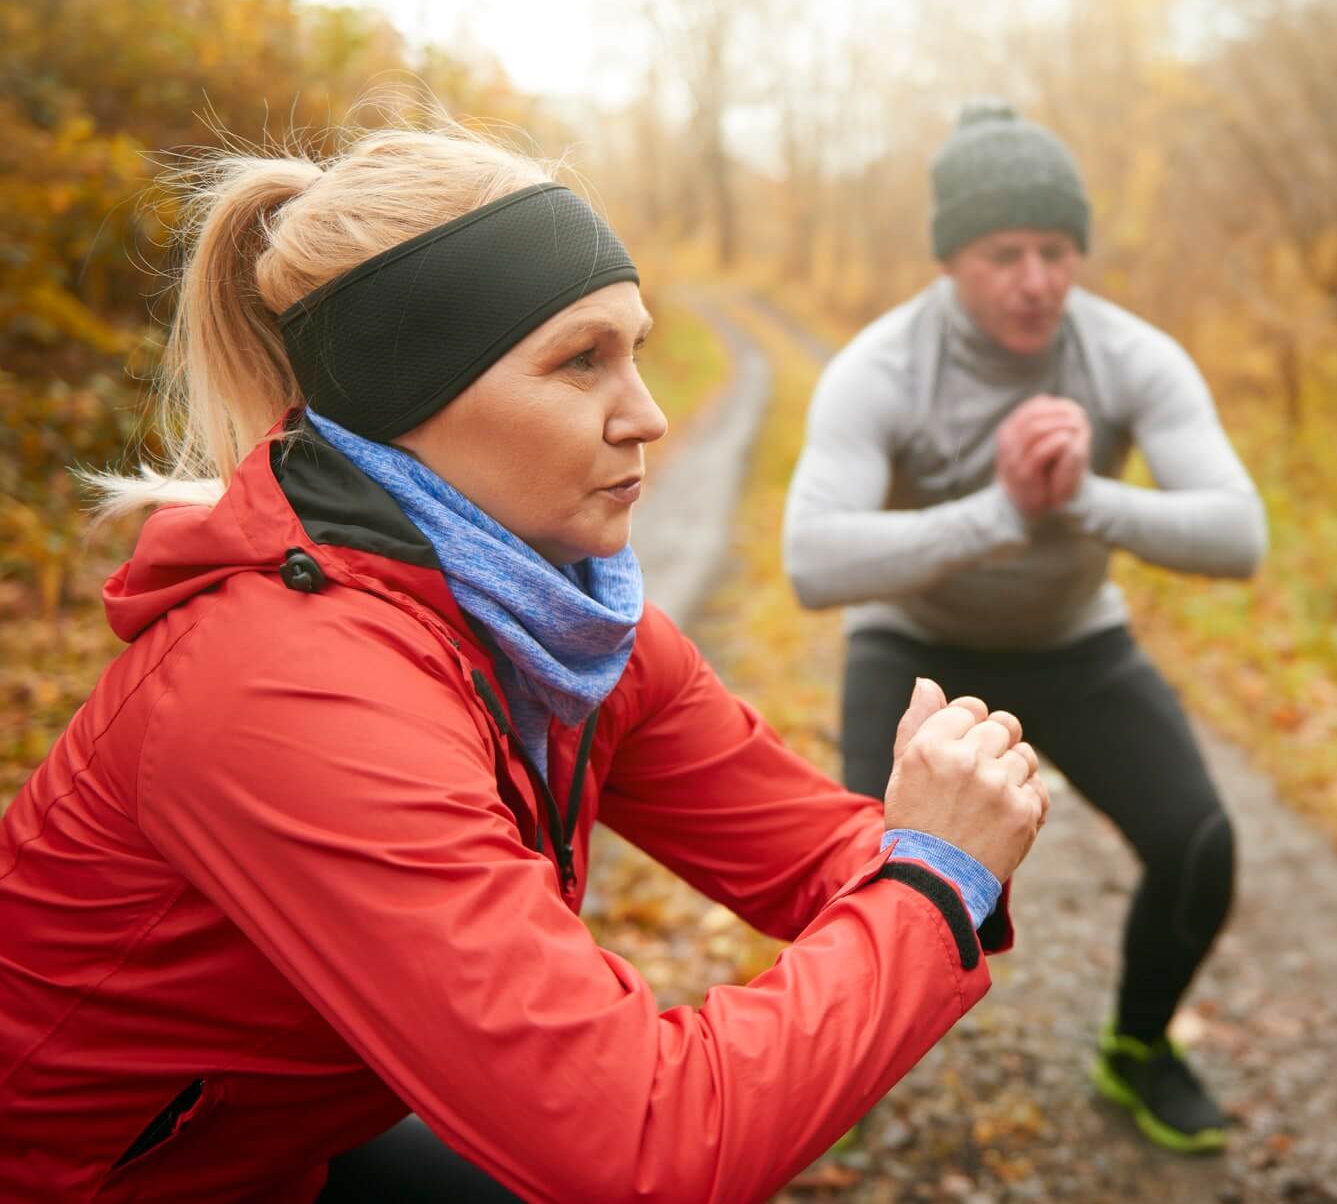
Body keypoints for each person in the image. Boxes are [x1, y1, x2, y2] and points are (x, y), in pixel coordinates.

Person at [0, 120, 1051, 1203]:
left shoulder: (568, 620)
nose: (644, 414)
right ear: (408, 401)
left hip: (285, 1144)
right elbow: (642, 1146)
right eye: (579, 361)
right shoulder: (282, 694)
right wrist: (934, 879)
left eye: (635, 350)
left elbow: (809, 852)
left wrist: (934, 846)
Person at [782, 101, 1267, 1154]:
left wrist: (1081, 500)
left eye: (1055, 251)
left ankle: (1139, 1050)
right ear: (952, 259)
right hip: (916, 646)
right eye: (1003, 253)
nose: (1035, 279)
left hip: (1072, 639)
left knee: (1199, 845)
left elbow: (1238, 534)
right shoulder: (883, 367)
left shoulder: (1130, 356)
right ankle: (828, 1078)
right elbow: (812, 559)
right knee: (859, 868)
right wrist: (998, 514)